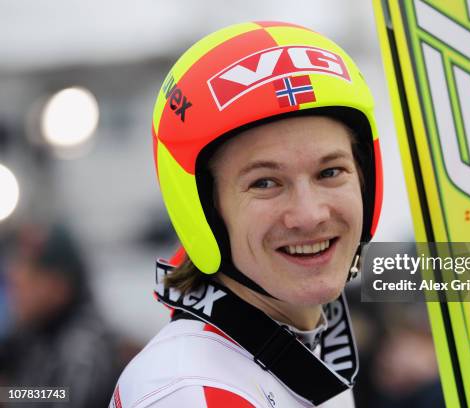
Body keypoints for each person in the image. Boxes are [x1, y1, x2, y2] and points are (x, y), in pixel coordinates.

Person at [110, 21, 383, 408]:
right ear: (207, 211)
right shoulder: (191, 392)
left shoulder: (306, 350)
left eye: (330, 172)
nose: (309, 215)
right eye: (265, 183)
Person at [0, 223, 119, 408]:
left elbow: (65, 395)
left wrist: (8, 394)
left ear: (59, 285)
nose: (15, 291)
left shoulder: (83, 347)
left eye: (28, 279)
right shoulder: (35, 331)